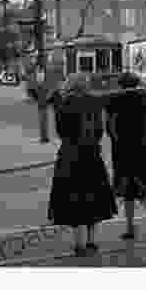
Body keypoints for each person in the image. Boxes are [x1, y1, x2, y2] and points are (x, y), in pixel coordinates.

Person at [47, 74, 117, 256]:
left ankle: (78, 244)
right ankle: (92, 242)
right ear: (85, 85)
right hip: (92, 155)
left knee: (74, 198)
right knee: (93, 197)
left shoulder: (64, 104)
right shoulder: (95, 102)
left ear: (69, 86)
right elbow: (100, 130)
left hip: (70, 156)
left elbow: (61, 132)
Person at [106, 72, 146, 247]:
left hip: (123, 153)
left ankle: (131, 228)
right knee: (144, 191)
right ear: (137, 82)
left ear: (121, 85)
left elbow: (110, 127)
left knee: (127, 193)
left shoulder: (114, 99)